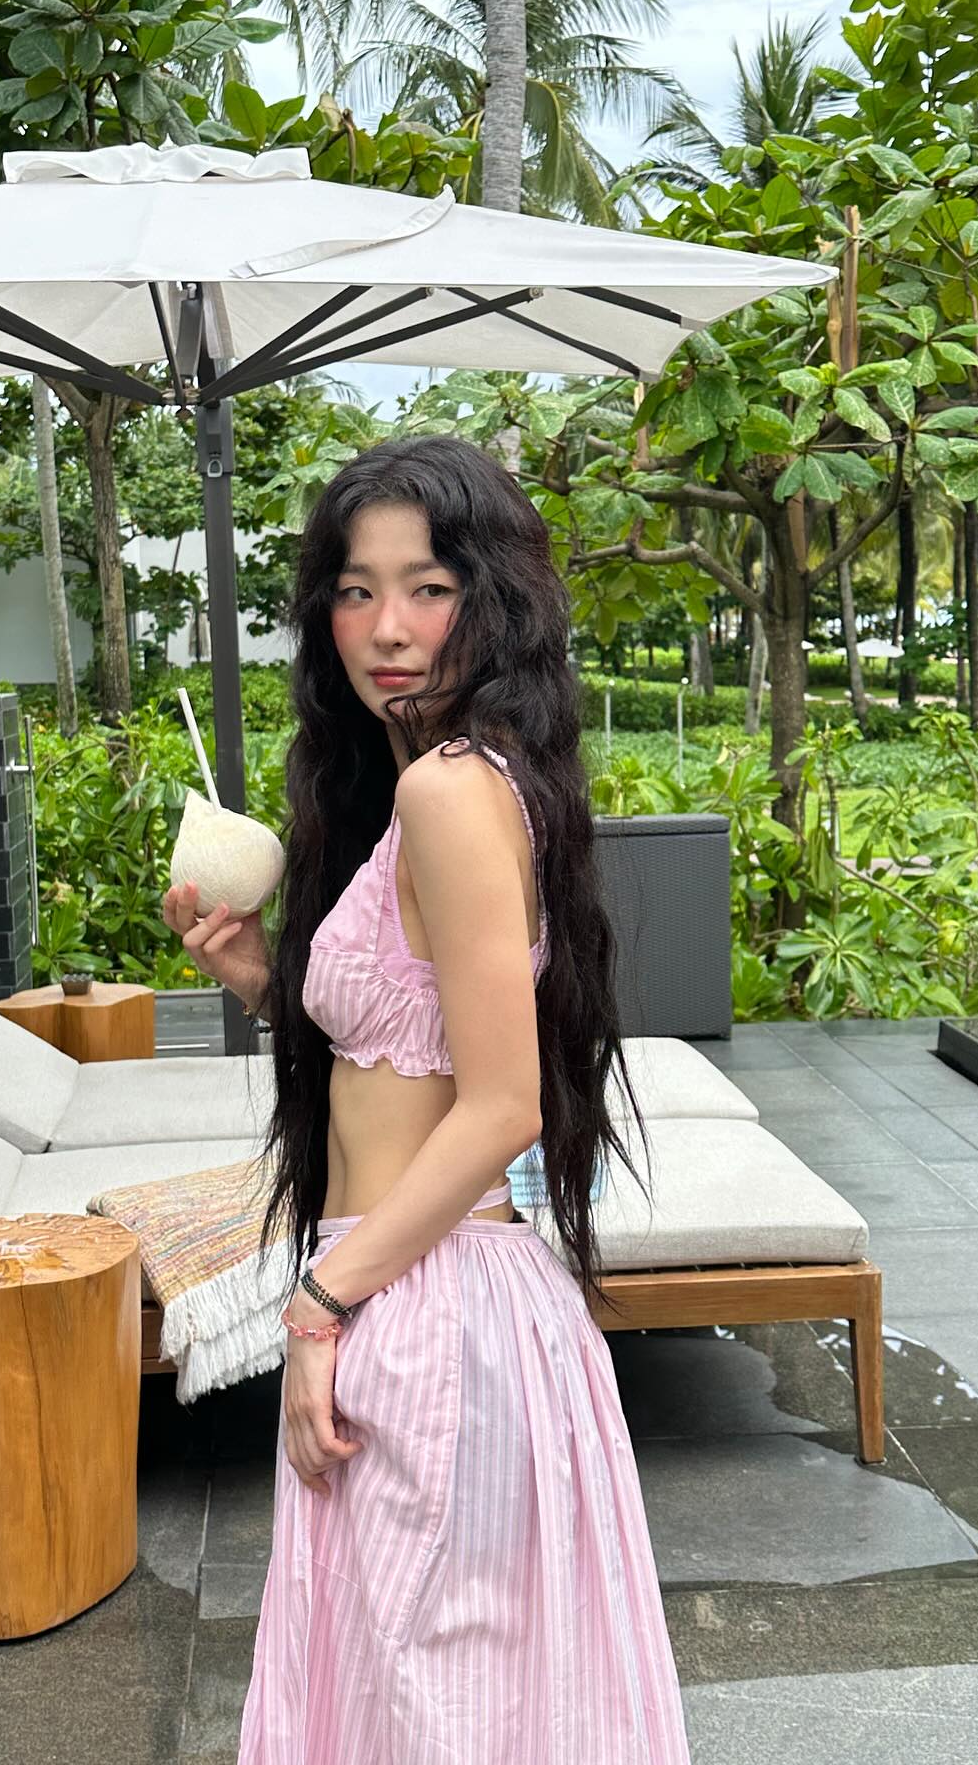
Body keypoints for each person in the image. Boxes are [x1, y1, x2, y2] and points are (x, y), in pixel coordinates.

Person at [162, 433, 690, 1763]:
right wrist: (261, 979)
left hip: (419, 1304)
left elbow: (502, 1108)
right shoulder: (456, 783)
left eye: (428, 587)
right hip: (434, 1297)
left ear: (492, 600)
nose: (386, 628)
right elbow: (410, 1055)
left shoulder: (450, 791)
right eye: (356, 589)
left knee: (424, 1713)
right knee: (449, 1707)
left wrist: (320, 1306)